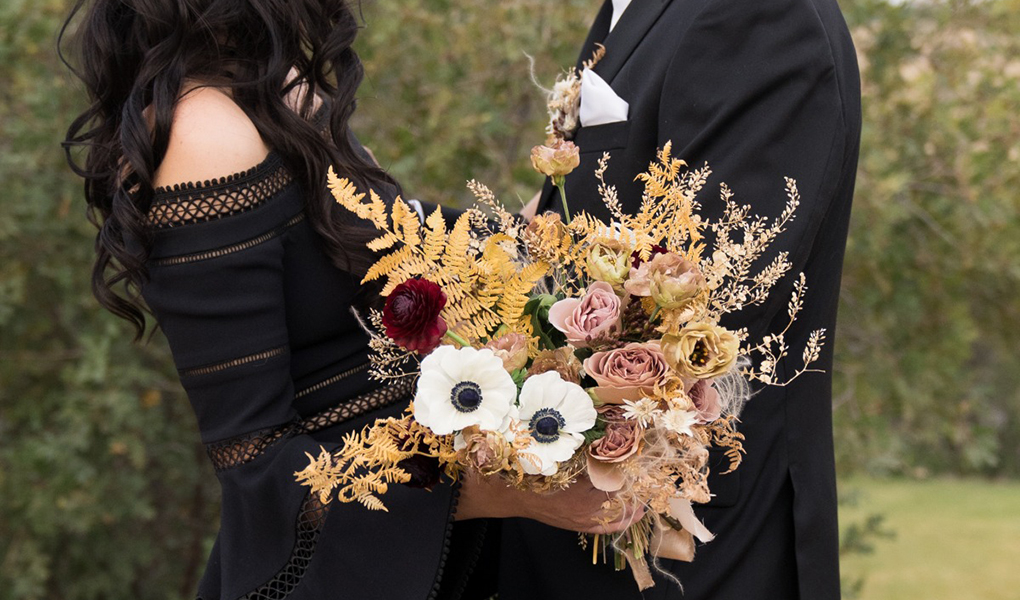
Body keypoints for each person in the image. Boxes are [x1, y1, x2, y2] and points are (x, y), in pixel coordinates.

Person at [60, 1, 640, 598]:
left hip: (444, 544)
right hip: (358, 567)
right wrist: (504, 488)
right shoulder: (201, 133)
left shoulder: (275, 86)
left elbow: (408, 249)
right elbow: (257, 467)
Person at [512, 0, 861, 598]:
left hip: (691, 547)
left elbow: (709, 301)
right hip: (591, 528)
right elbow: (567, 237)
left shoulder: (762, 16)